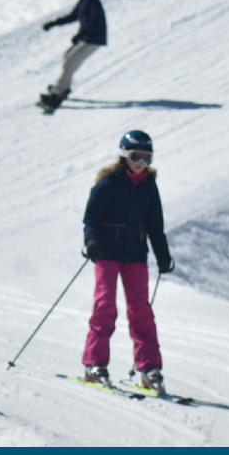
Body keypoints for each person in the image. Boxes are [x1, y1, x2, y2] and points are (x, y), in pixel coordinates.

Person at [80, 130, 175, 393]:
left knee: (141, 311)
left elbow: (155, 226)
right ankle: (94, 364)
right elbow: (91, 218)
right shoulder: (108, 183)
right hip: (107, 253)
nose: (141, 163)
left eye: (146, 158)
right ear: (124, 156)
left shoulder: (149, 187)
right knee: (105, 307)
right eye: (136, 157)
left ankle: (149, 369)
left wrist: (163, 256)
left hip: (135, 255)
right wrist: (91, 241)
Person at [40, 0, 107, 110]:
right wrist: (54, 23)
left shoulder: (92, 0)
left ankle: (58, 93)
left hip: (94, 39)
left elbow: (94, 22)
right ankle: (63, 86)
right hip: (89, 37)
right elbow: (73, 16)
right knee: (67, 57)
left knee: (70, 61)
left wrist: (81, 34)